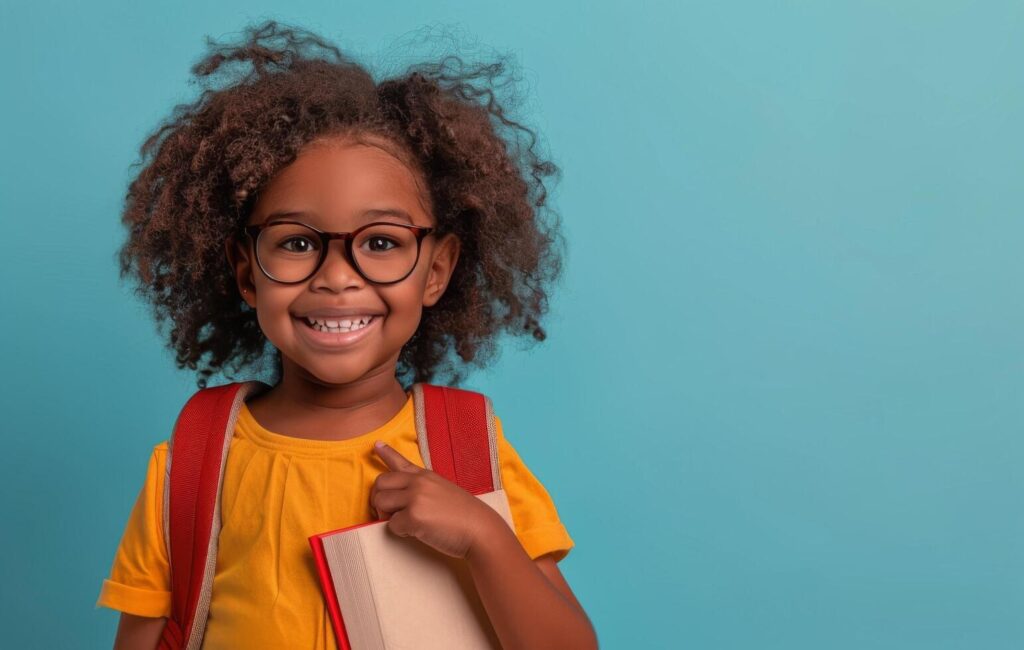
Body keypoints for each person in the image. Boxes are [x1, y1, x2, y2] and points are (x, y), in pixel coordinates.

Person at [94, 19, 597, 650]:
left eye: (382, 242)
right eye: (297, 242)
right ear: (247, 272)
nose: (337, 279)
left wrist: (484, 537)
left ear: (436, 269)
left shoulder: (466, 453)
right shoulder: (194, 464)